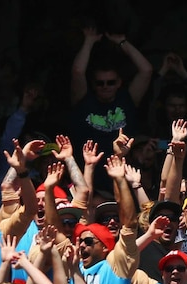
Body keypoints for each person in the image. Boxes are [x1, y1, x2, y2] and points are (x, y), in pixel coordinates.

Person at [68, 27, 152, 193]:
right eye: (100, 83)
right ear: (93, 84)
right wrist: (89, 41)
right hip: (89, 180)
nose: (105, 86)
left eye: (111, 82)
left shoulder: (127, 99)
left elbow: (146, 70)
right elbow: (78, 72)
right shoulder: (84, 101)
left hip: (123, 179)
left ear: (119, 82)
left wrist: (122, 42)